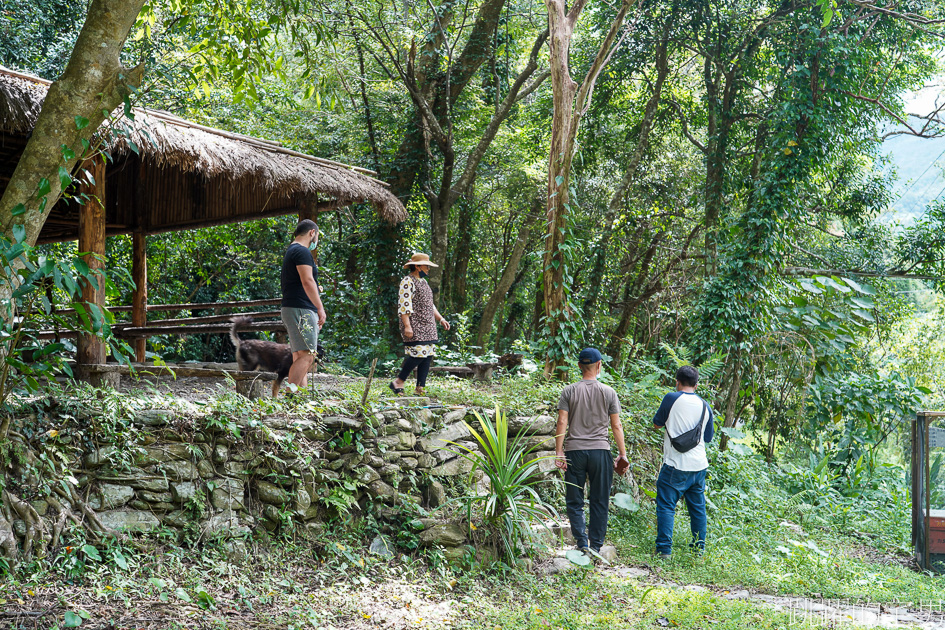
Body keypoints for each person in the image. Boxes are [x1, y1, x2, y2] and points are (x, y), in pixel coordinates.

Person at [554, 348, 629, 557]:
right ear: (599, 366)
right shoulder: (608, 392)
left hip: (575, 452)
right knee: (599, 499)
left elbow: (562, 421)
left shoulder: (569, 391)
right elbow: (616, 426)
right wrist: (622, 454)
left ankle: (581, 543)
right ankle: (596, 545)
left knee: (574, 500)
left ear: (579, 366)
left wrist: (559, 451)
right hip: (600, 452)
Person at [651, 365, 715, 559]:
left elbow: (656, 424)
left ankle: (664, 551)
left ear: (677, 381)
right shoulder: (705, 405)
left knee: (666, 506)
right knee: (697, 510)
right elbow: (709, 437)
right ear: (697, 384)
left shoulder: (671, 398)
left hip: (674, 465)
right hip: (699, 467)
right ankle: (698, 551)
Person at [389, 253, 450, 396]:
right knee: (418, 355)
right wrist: (407, 326)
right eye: (426, 266)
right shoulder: (407, 281)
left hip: (428, 325)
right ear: (417, 266)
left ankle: (420, 387)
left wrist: (440, 319)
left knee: (427, 355)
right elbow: (404, 305)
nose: (428, 269)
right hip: (415, 323)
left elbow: (430, 305)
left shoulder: (424, 282)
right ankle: (398, 381)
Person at [280, 219, 326, 392]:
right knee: (308, 355)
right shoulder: (302, 251)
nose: (316, 242)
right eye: (317, 237)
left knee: (300, 355)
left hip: (292, 307)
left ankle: (301, 398)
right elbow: (307, 281)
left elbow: (302, 281)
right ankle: (289, 396)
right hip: (301, 309)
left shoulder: (291, 251)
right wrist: (320, 308)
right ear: (312, 233)